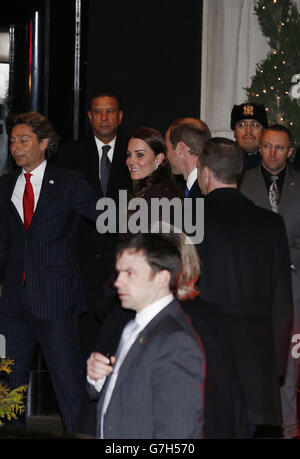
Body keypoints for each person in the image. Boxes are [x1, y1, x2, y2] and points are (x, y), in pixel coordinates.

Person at [78, 225, 250, 439]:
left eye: (131, 272)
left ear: (163, 273)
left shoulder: (134, 317)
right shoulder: (208, 315)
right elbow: (232, 395)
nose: (118, 282)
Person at [0, 111, 101, 433]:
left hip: (56, 302)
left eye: (24, 140)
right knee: (8, 387)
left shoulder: (70, 182)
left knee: (68, 385)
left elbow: (105, 218)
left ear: (44, 144)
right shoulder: (5, 185)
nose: (16, 147)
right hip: (13, 303)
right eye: (13, 141)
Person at [196, 137, 293, 437]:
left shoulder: (189, 219)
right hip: (257, 358)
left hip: (203, 355)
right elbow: (282, 301)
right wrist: (274, 363)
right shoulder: (271, 223)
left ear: (206, 172)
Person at [86, 233, 205, 439]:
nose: (118, 282)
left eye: (130, 273)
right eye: (119, 272)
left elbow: (177, 435)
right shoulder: (136, 326)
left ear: (161, 278)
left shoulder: (176, 341)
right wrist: (99, 378)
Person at [52, 89, 131, 353]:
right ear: (89, 116)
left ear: (120, 117)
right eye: (98, 111)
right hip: (79, 266)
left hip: (122, 265)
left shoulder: (136, 154)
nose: (104, 117)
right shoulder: (67, 155)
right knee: (80, 349)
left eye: (110, 111)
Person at [240, 124, 300, 438]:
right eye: (266, 146)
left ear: (290, 151)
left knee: (288, 376)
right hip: (252, 292)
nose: (272, 153)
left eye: (279, 147)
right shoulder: (241, 183)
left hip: (293, 291)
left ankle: (289, 432)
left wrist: (281, 254)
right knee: (249, 370)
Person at [165, 117, 211, 198]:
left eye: (167, 149)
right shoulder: (205, 186)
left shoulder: (202, 191)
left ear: (180, 149)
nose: (166, 155)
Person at [230, 102, 268, 170]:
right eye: (242, 125)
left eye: (255, 125)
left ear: (264, 131)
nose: (248, 131)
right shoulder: (224, 161)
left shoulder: (273, 162)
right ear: (234, 131)